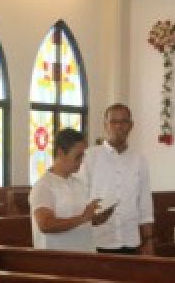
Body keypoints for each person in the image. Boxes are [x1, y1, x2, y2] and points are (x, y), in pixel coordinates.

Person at [78, 104, 155, 254]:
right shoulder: (90, 156)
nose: (119, 126)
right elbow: (80, 195)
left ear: (131, 126)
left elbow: (145, 202)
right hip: (98, 240)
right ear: (105, 125)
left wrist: (148, 240)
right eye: (113, 121)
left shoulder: (139, 160)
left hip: (130, 239)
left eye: (124, 121)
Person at [29, 127, 114, 251]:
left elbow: (82, 219)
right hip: (58, 261)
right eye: (78, 156)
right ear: (60, 153)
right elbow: (45, 224)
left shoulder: (78, 183)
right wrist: (84, 217)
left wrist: (97, 218)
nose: (81, 161)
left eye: (83, 156)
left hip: (85, 258)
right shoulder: (43, 186)